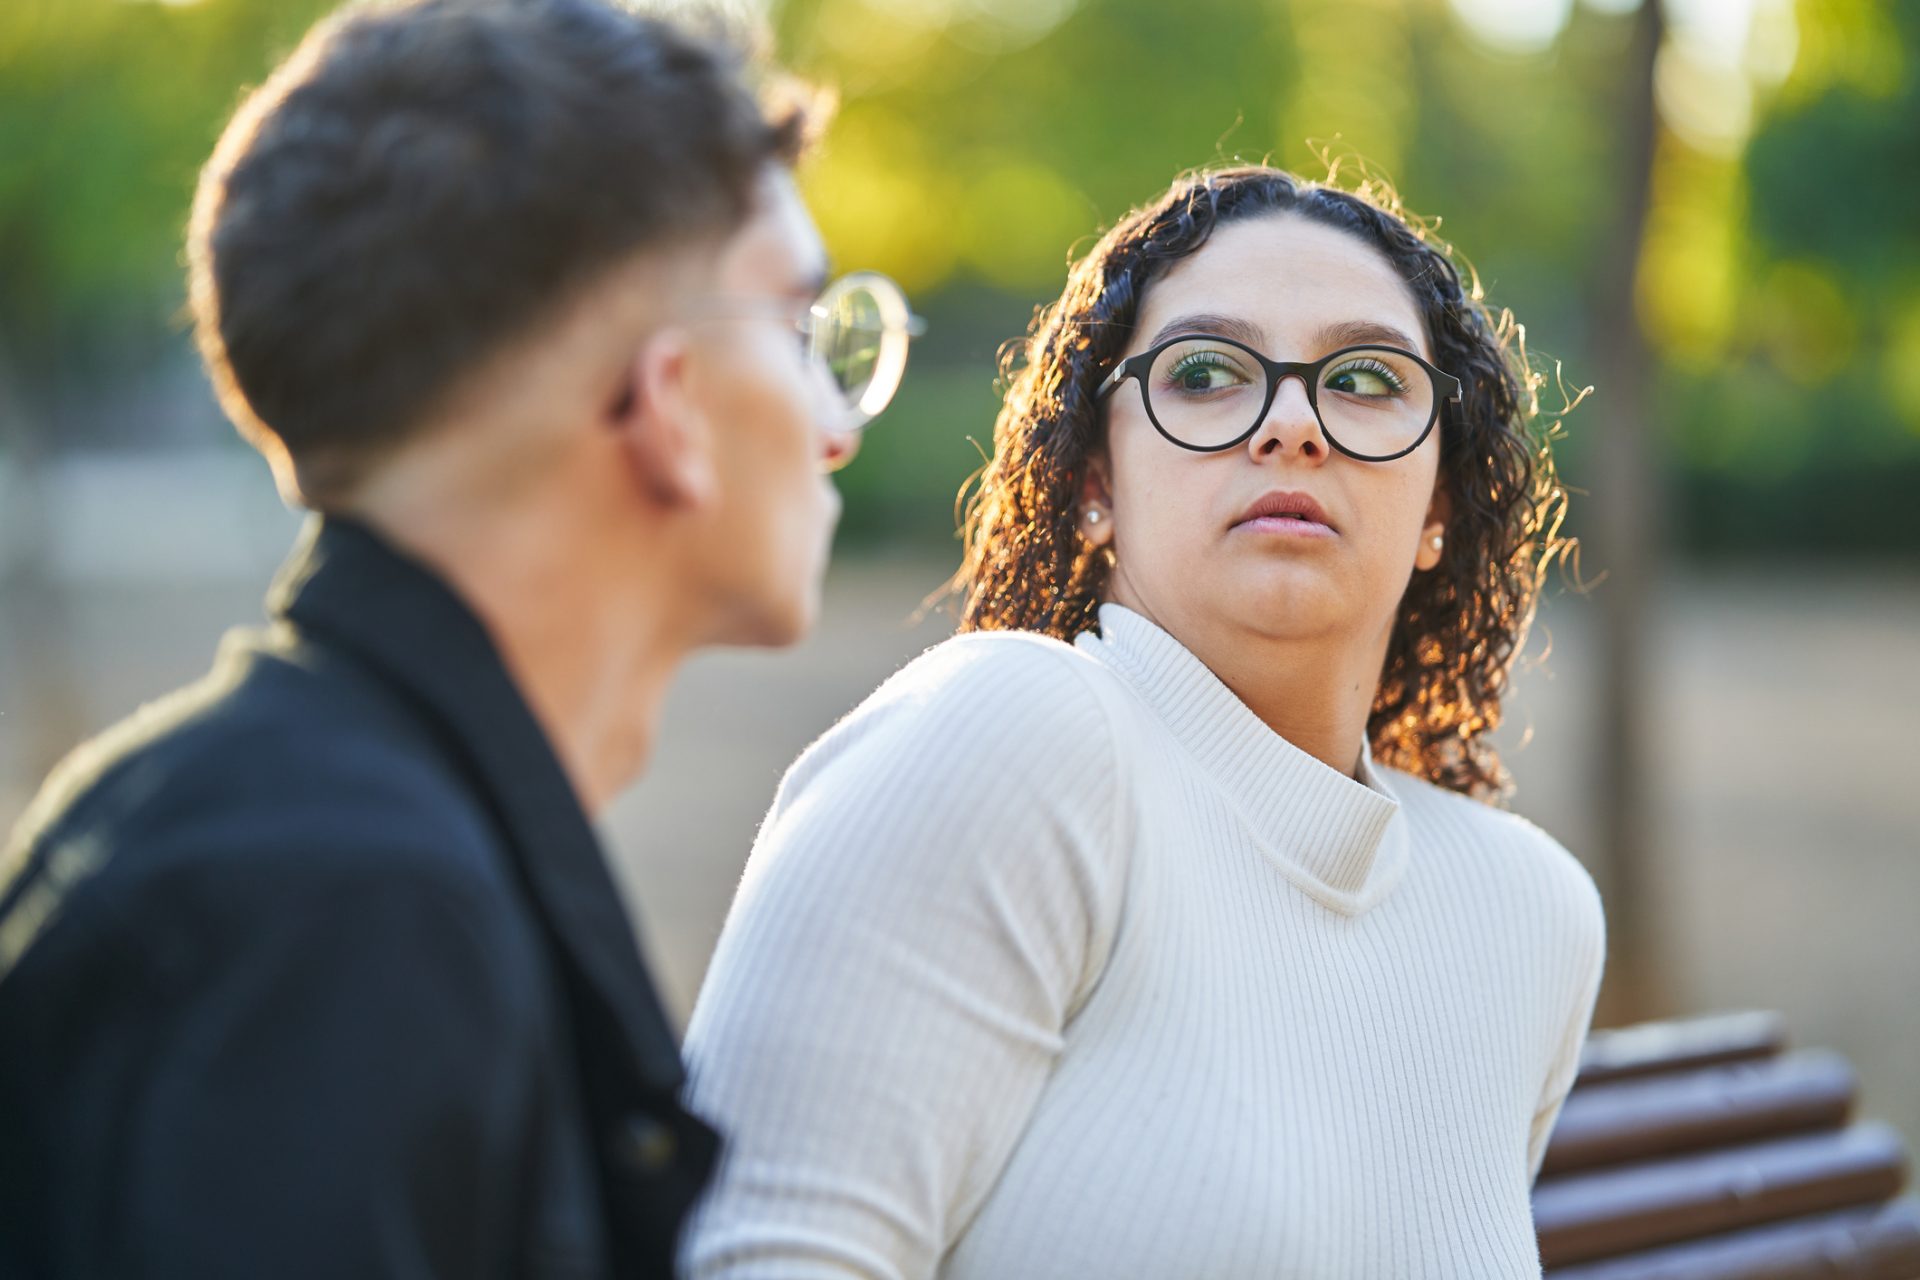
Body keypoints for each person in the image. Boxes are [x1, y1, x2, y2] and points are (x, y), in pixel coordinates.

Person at [0, 0, 918, 1275]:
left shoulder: (278, 832)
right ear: (669, 409)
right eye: (805, 328)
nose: (838, 418)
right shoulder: (348, 910)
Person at [676, 164, 1607, 1278]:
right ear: (1093, 484)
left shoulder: (1528, 910)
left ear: (1441, 505)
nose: (1294, 423)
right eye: (1206, 371)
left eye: (1365, 378)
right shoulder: (1013, 735)